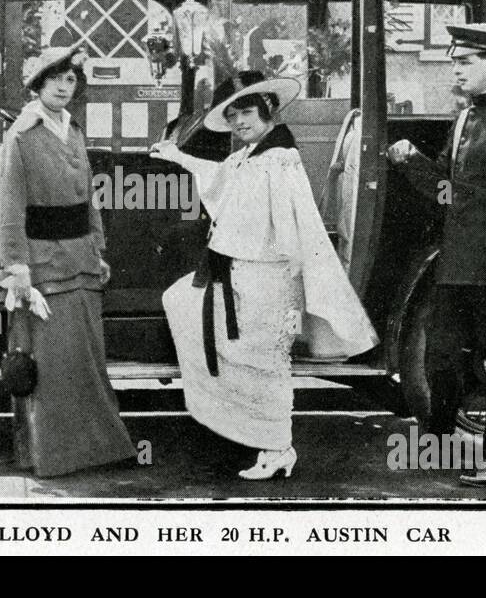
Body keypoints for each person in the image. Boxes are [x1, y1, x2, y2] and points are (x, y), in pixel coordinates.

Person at [151, 71, 378, 480]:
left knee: (265, 360)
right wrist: (178, 156)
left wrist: (292, 271)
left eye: (247, 113)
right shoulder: (250, 155)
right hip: (237, 269)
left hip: (269, 273)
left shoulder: (279, 157)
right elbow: (219, 177)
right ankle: (241, 428)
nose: (240, 122)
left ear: (268, 110)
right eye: (233, 115)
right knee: (189, 308)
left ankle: (276, 447)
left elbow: (294, 216)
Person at [385, 23, 486, 486]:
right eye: (454, 61)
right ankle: (440, 448)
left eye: (466, 62)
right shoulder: (464, 121)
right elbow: (448, 191)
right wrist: (410, 160)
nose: (455, 70)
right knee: (441, 361)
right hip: (455, 268)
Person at [0, 45, 137, 478]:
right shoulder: (20, 136)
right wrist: (18, 270)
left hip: (81, 261)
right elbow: (9, 212)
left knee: (88, 361)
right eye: (54, 78)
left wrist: (98, 247)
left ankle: (99, 449)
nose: (63, 85)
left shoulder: (73, 130)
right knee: (52, 367)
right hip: (42, 268)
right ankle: (56, 458)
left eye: (70, 79)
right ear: (37, 86)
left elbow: (88, 200)